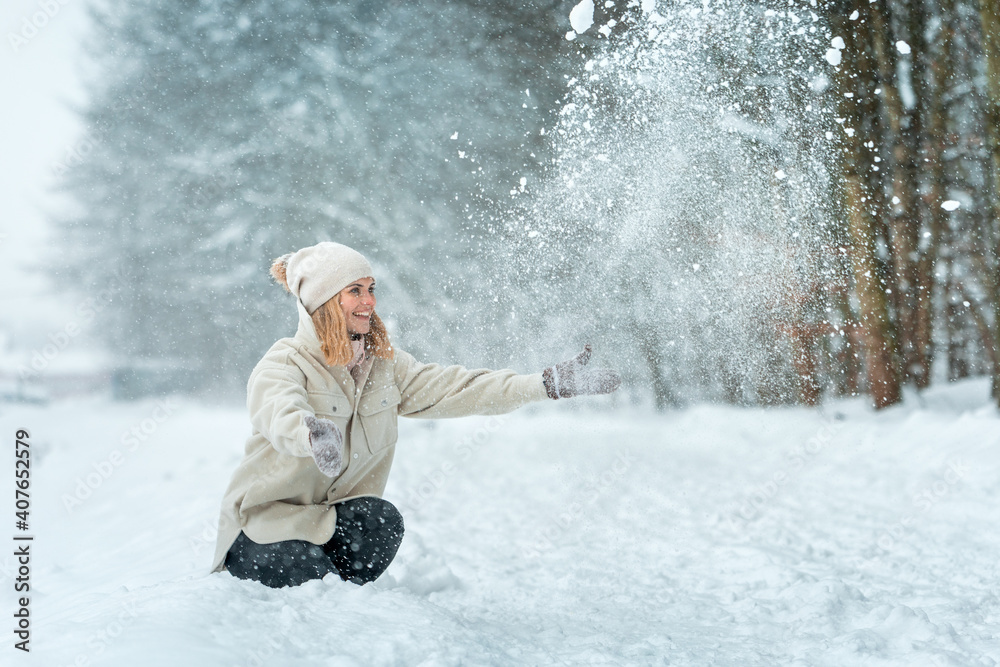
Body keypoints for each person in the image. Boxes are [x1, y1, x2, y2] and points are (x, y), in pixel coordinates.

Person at [210, 241, 621, 588]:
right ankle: (307, 589)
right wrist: (311, 434)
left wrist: (543, 384)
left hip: (324, 521)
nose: (369, 301)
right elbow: (278, 409)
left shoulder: (385, 367)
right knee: (309, 580)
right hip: (264, 528)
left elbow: (460, 387)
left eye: (371, 288)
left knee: (381, 520)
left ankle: (342, 592)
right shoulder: (285, 362)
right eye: (354, 290)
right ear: (325, 301)